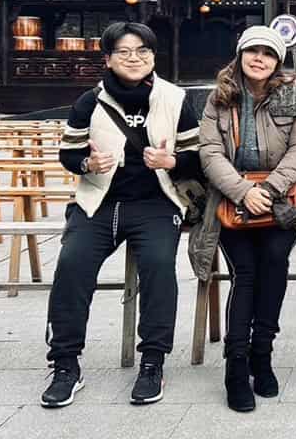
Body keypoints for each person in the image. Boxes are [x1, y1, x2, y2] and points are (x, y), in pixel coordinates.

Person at [42, 22, 201, 408]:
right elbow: (68, 153)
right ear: (108, 59)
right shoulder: (89, 102)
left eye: (142, 51)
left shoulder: (175, 99)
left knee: (160, 267)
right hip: (98, 202)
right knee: (72, 265)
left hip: (156, 203)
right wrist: (87, 164)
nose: (134, 58)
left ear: (153, 56)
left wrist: (171, 161)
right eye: (124, 52)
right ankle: (65, 363)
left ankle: (153, 361)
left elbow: (196, 157)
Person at [194, 26, 296, 412]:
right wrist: (244, 190)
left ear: (278, 61)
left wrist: (270, 188)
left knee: (275, 261)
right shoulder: (219, 97)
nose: (259, 59)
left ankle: (262, 354)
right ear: (240, 54)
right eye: (252, 51)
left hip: (282, 198)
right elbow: (210, 152)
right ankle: (236, 364)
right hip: (232, 198)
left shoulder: (292, 95)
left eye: (268, 53)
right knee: (244, 272)